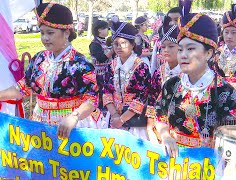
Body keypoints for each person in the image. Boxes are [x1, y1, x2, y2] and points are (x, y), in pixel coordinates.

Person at [0, 3, 106, 138]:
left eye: (50, 33)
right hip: (41, 123)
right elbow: (24, 87)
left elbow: (92, 98)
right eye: (42, 32)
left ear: (66, 33)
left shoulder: (80, 63)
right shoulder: (39, 58)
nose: (45, 38)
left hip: (71, 126)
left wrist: (74, 117)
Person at [156, 1, 236, 157]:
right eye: (180, 49)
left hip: (208, 166)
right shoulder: (171, 85)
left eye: (191, 49)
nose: (183, 55)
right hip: (174, 163)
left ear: (209, 53)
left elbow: (231, 137)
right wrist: (165, 136)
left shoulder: (226, 92)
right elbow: (160, 116)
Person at [104, 21, 151, 140]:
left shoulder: (141, 67)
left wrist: (122, 119)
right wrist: (114, 115)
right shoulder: (111, 65)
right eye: (115, 44)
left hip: (133, 120)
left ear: (132, 44)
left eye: (123, 43)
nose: (119, 47)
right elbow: (107, 91)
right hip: (113, 117)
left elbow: (142, 97)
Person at [210, 4, 236, 125]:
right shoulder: (215, 55)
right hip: (218, 101)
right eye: (226, 32)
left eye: (234, 32)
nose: (229, 36)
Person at [146, 16, 181, 142]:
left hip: (181, 132)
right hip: (159, 129)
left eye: (171, 46)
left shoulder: (187, 74)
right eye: (163, 46)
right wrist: (150, 128)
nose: (166, 50)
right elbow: (152, 100)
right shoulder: (158, 72)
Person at [90, 20, 114, 120]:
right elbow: (101, 58)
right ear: (99, 30)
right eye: (105, 28)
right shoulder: (94, 44)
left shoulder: (105, 41)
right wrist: (113, 50)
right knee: (101, 94)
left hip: (108, 73)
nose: (107, 31)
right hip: (100, 74)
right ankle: (101, 115)